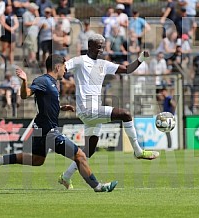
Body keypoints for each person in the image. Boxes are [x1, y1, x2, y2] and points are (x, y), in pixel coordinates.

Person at [0, 54, 118, 192]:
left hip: (41, 128)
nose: (65, 70)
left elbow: (45, 103)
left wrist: (60, 107)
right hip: (48, 131)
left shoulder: (52, 83)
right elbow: (25, 95)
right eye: (63, 67)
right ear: (57, 66)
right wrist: (25, 81)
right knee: (80, 155)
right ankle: (98, 187)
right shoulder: (43, 80)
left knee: (37, 160)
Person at [58, 34, 160, 190]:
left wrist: (140, 58)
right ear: (90, 46)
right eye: (99, 46)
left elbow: (126, 69)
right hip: (87, 109)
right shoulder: (80, 61)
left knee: (88, 151)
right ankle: (138, 152)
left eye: (103, 46)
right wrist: (59, 79)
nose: (101, 49)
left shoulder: (103, 64)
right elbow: (64, 67)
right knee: (125, 114)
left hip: (92, 113)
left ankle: (65, 177)